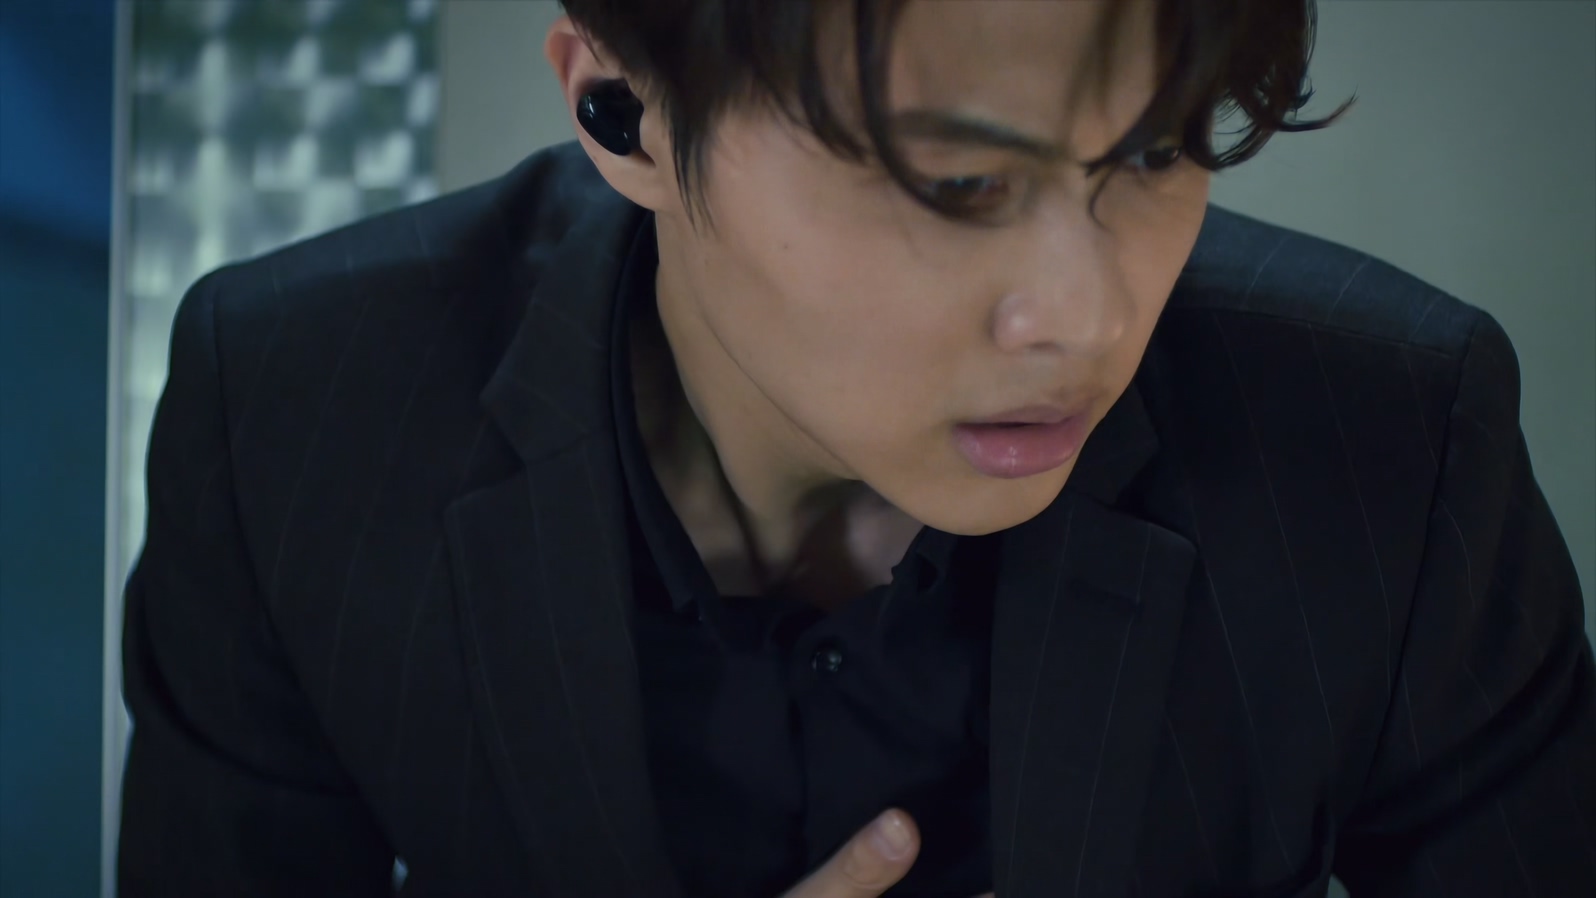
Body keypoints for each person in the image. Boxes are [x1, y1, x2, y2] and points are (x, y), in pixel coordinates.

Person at [116, 0, 1595, 895]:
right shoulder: (297, 413)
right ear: (623, 114)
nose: (1086, 319)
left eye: (1157, 150)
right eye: (955, 182)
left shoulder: (1392, 438)